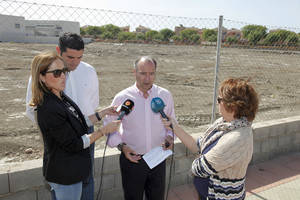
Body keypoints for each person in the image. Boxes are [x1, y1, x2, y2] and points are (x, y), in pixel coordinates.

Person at [29, 51, 120, 200]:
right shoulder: (49, 107)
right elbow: (74, 144)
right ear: (42, 77)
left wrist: (103, 113)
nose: (63, 76)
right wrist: (103, 131)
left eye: (64, 71)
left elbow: (79, 122)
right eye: (57, 73)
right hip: (65, 175)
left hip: (72, 170)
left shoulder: (60, 96)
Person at [25, 33, 99, 200]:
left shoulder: (89, 71)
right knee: (65, 182)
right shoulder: (42, 75)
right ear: (59, 50)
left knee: (87, 178)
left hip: (86, 129)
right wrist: (57, 130)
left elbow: (92, 103)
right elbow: (34, 109)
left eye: (80, 57)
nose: (75, 62)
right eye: (70, 57)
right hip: (60, 136)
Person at [162, 78, 259, 200]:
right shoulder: (225, 123)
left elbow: (200, 168)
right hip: (208, 193)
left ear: (233, 106)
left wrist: (199, 157)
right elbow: (198, 145)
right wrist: (174, 126)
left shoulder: (238, 138)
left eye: (220, 100)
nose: (217, 102)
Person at [105, 56, 176, 200]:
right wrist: (122, 147)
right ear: (134, 72)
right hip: (133, 160)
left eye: (152, 73)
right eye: (143, 73)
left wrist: (170, 137)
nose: (147, 78)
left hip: (158, 158)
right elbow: (109, 126)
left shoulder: (165, 95)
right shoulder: (122, 97)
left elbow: (172, 123)